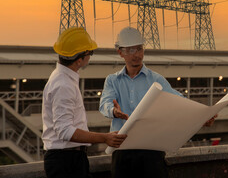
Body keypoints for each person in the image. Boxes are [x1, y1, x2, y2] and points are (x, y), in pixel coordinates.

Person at [99, 26, 216, 178]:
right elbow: (105, 103)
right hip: (122, 151)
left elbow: (178, 101)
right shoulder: (112, 81)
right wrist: (114, 111)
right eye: (131, 50)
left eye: (139, 49)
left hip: (152, 152)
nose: (137, 55)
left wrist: (202, 116)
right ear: (120, 52)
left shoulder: (156, 80)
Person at [42, 27, 127, 178]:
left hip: (66, 159)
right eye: (90, 53)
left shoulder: (62, 78)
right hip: (66, 161)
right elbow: (65, 131)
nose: (90, 57)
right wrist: (105, 137)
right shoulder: (64, 85)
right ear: (79, 59)